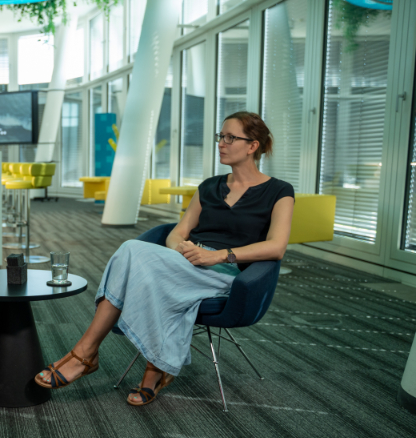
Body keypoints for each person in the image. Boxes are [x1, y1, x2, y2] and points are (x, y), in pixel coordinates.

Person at [35, 111, 295, 406]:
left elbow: (277, 247)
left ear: (252, 146)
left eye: (230, 137)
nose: (221, 143)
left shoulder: (279, 191)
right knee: (132, 251)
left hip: (227, 272)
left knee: (131, 251)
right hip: (187, 262)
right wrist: (182, 250)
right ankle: (142, 364)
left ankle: (86, 354)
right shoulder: (209, 187)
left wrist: (217, 256)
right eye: (220, 136)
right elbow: (178, 232)